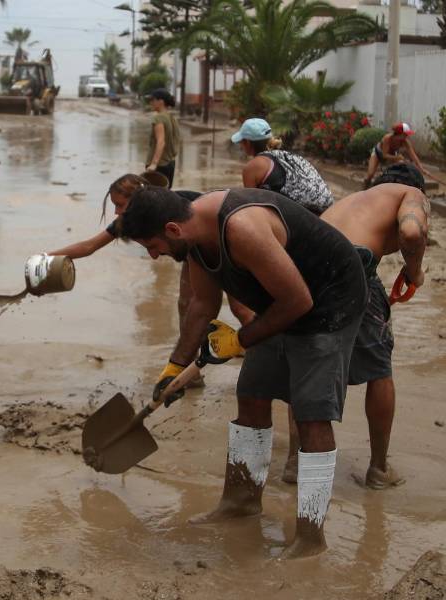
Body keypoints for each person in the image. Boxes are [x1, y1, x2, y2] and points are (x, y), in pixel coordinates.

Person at [119, 186, 365, 559]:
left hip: (329, 302)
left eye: (152, 246)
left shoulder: (241, 227)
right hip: (279, 302)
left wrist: (240, 340)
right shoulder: (195, 239)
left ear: (172, 230)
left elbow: (299, 301)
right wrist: (175, 366)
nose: (154, 256)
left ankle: (310, 536)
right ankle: (241, 502)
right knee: (251, 392)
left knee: (312, 411)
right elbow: (202, 303)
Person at [276, 183, 429, 490]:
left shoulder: (357, 200)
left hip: (305, 270)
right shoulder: (412, 194)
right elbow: (412, 233)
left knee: (307, 365)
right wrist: (415, 272)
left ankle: (296, 460)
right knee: (379, 369)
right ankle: (378, 468)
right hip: (351, 267)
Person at [50, 175, 253, 328]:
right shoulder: (133, 220)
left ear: (137, 199)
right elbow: (89, 246)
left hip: (218, 244)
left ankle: (266, 350)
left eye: (120, 205)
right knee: (186, 304)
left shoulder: (167, 206)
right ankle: (190, 368)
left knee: (239, 307)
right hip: (194, 253)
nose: (117, 212)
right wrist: (47, 257)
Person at [231, 117, 334, 214]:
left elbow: (252, 207)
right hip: (326, 208)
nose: (241, 146)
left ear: (248, 143)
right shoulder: (286, 156)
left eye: (241, 142)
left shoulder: (252, 167)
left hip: (303, 217)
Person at [364, 122, 444, 189]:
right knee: (370, 174)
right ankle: (365, 188)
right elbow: (384, 155)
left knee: (401, 165)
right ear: (398, 134)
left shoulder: (405, 141)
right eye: (405, 134)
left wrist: (421, 168)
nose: (406, 136)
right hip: (378, 154)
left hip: (392, 156)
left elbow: (413, 155)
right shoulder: (387, 138)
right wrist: (397, 157)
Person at [144, 89, 180, 188]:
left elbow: (161, 142)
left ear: (161, 102)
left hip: (159, 165)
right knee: (166, 196)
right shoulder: (171, 117)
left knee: (153, 198)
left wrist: (154, 164)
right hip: (170, 163)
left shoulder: (158, 118)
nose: (151, 102)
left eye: (153, 100)